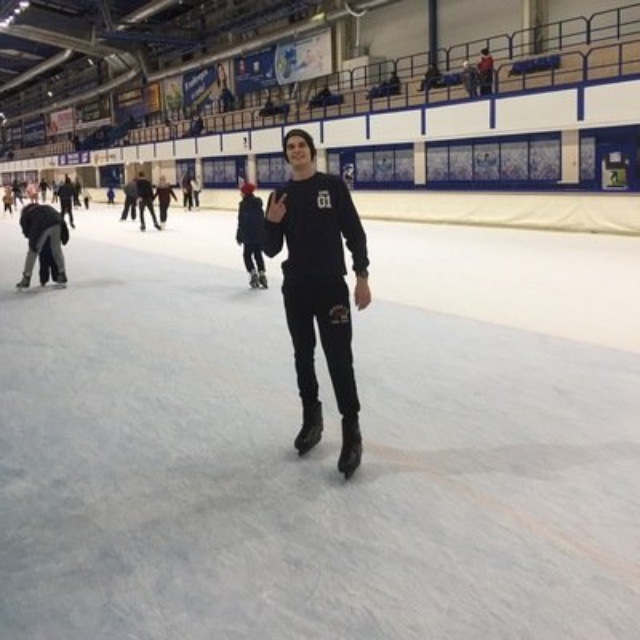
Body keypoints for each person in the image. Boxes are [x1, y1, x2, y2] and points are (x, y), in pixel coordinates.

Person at [263, 128, 371, 479]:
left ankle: (351, 432)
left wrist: (362, 275)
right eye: (290, 147)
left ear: (311, 150)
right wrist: (271, 222)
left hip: (330, 288)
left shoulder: (332, 187)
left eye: (301, 146)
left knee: (339, 359)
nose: (296, 151)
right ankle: (312, 419)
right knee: (303, 355)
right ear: (286, 155)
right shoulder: (279, 195)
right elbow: (270, 249)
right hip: (297, 288)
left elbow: (354, 233)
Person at [15, 203, 68, 289]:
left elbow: (27, 232)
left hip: (42, 226)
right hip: (56, 223)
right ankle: (62, 273)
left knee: (32, 252)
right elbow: (59, 217)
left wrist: (34, 243)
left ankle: (26, 278)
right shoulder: (46, 207)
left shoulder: (26, 215)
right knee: (56, 250)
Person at [236, 182, 267, 289]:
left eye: (242, 192)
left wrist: (239, 235)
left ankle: (253, 272)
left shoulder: (243, 205)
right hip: (258, 234)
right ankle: (262, 273)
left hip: (248, 235)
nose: (241, 194)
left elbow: (241, 222)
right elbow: (262, 220)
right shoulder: (258, 204)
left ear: (246, 193)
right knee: (258, 254)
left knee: (247, 255)